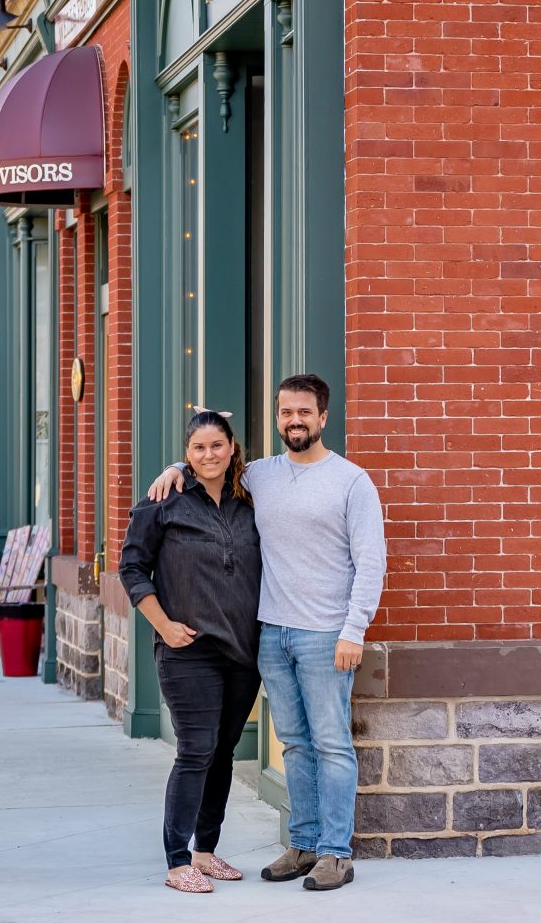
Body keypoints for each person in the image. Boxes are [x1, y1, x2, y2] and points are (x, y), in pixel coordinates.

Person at [149, 374, 386, 891]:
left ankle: (336, 852)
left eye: (304, 412)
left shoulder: (351, 481)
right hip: (271, 634)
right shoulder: (258, 475)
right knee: (295, 744)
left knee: (332, 744)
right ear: (276, 419)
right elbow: (208, 464)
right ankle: (301, 844)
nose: (294, 421)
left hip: (326, 634)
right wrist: (174, 467)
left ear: (324, 417)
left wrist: (354, 631)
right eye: (285, 413)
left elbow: (372, 563)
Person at [120, 409, 262, 894]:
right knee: (196, 751)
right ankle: (178, 859)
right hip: (188, 651)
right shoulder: (164, 500)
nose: (208, 455)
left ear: (232, 448)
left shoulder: (251, 499)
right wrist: (164, 625)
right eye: (198, 449)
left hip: (242, 652)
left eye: (217, 446)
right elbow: (132, 569)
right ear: (186, 454)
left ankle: (205, 851)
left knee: (222, 752)